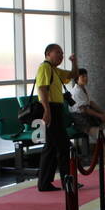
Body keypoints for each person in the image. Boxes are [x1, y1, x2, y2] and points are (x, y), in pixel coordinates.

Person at [34, 43, 76, 192]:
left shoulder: (55, 70)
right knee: (63, 146)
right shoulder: (45, 67)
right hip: (50, 108)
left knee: (51, 147)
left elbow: (72, 75)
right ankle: (66, 181)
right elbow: (42, 88)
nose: (61, 56)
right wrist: (47, 110)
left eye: (62, 53)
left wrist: (73, 63)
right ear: (47, 54)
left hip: (56, 109)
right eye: (57, 53)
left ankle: (44, 183)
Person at [68, 68, 105, 144]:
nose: (86, 78)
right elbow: (85, 109)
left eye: (86, 76)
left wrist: (102, 113)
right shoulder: (75, 92)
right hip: (80, 120)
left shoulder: (84, 89)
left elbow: (90, 103)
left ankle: (102, 145)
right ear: (77, 79)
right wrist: (100, 116)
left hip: (89, 117)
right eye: (83, 77)